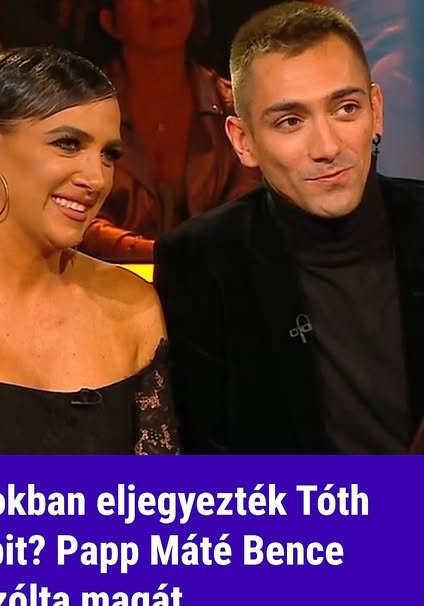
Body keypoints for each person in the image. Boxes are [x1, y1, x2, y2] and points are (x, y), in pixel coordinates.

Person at [154, 1, 424, 454]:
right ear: (243, 141)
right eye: (291, 121)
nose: (327, 147)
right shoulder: (202, 262)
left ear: (376, 111)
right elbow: (213, 466)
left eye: (346, 108)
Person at [0, 46, 179, 455]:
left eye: (108, 155)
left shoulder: (133, 306)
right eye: (68, 144)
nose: (96, 179)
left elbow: (159, 491)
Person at [80, 0, 260, 261]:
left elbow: (250, 208)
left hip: (218, 274)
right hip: (106, 276)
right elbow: (78, 216)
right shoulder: (82, 110)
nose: (159, 3)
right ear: (109, 21)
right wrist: (159, 254)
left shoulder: (231, 105)